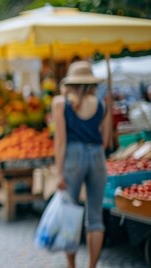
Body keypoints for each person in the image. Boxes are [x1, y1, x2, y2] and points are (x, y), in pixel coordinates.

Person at [53, 61, 110, 268]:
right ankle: (92, 266)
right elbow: (105, 141)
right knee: (95, 219)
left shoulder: (60, 103)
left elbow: (60, 141)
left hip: (73, 157)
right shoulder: (102, 104)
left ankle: (72, 266)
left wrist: (59, 173)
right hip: (97, 157)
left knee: (70, 213)